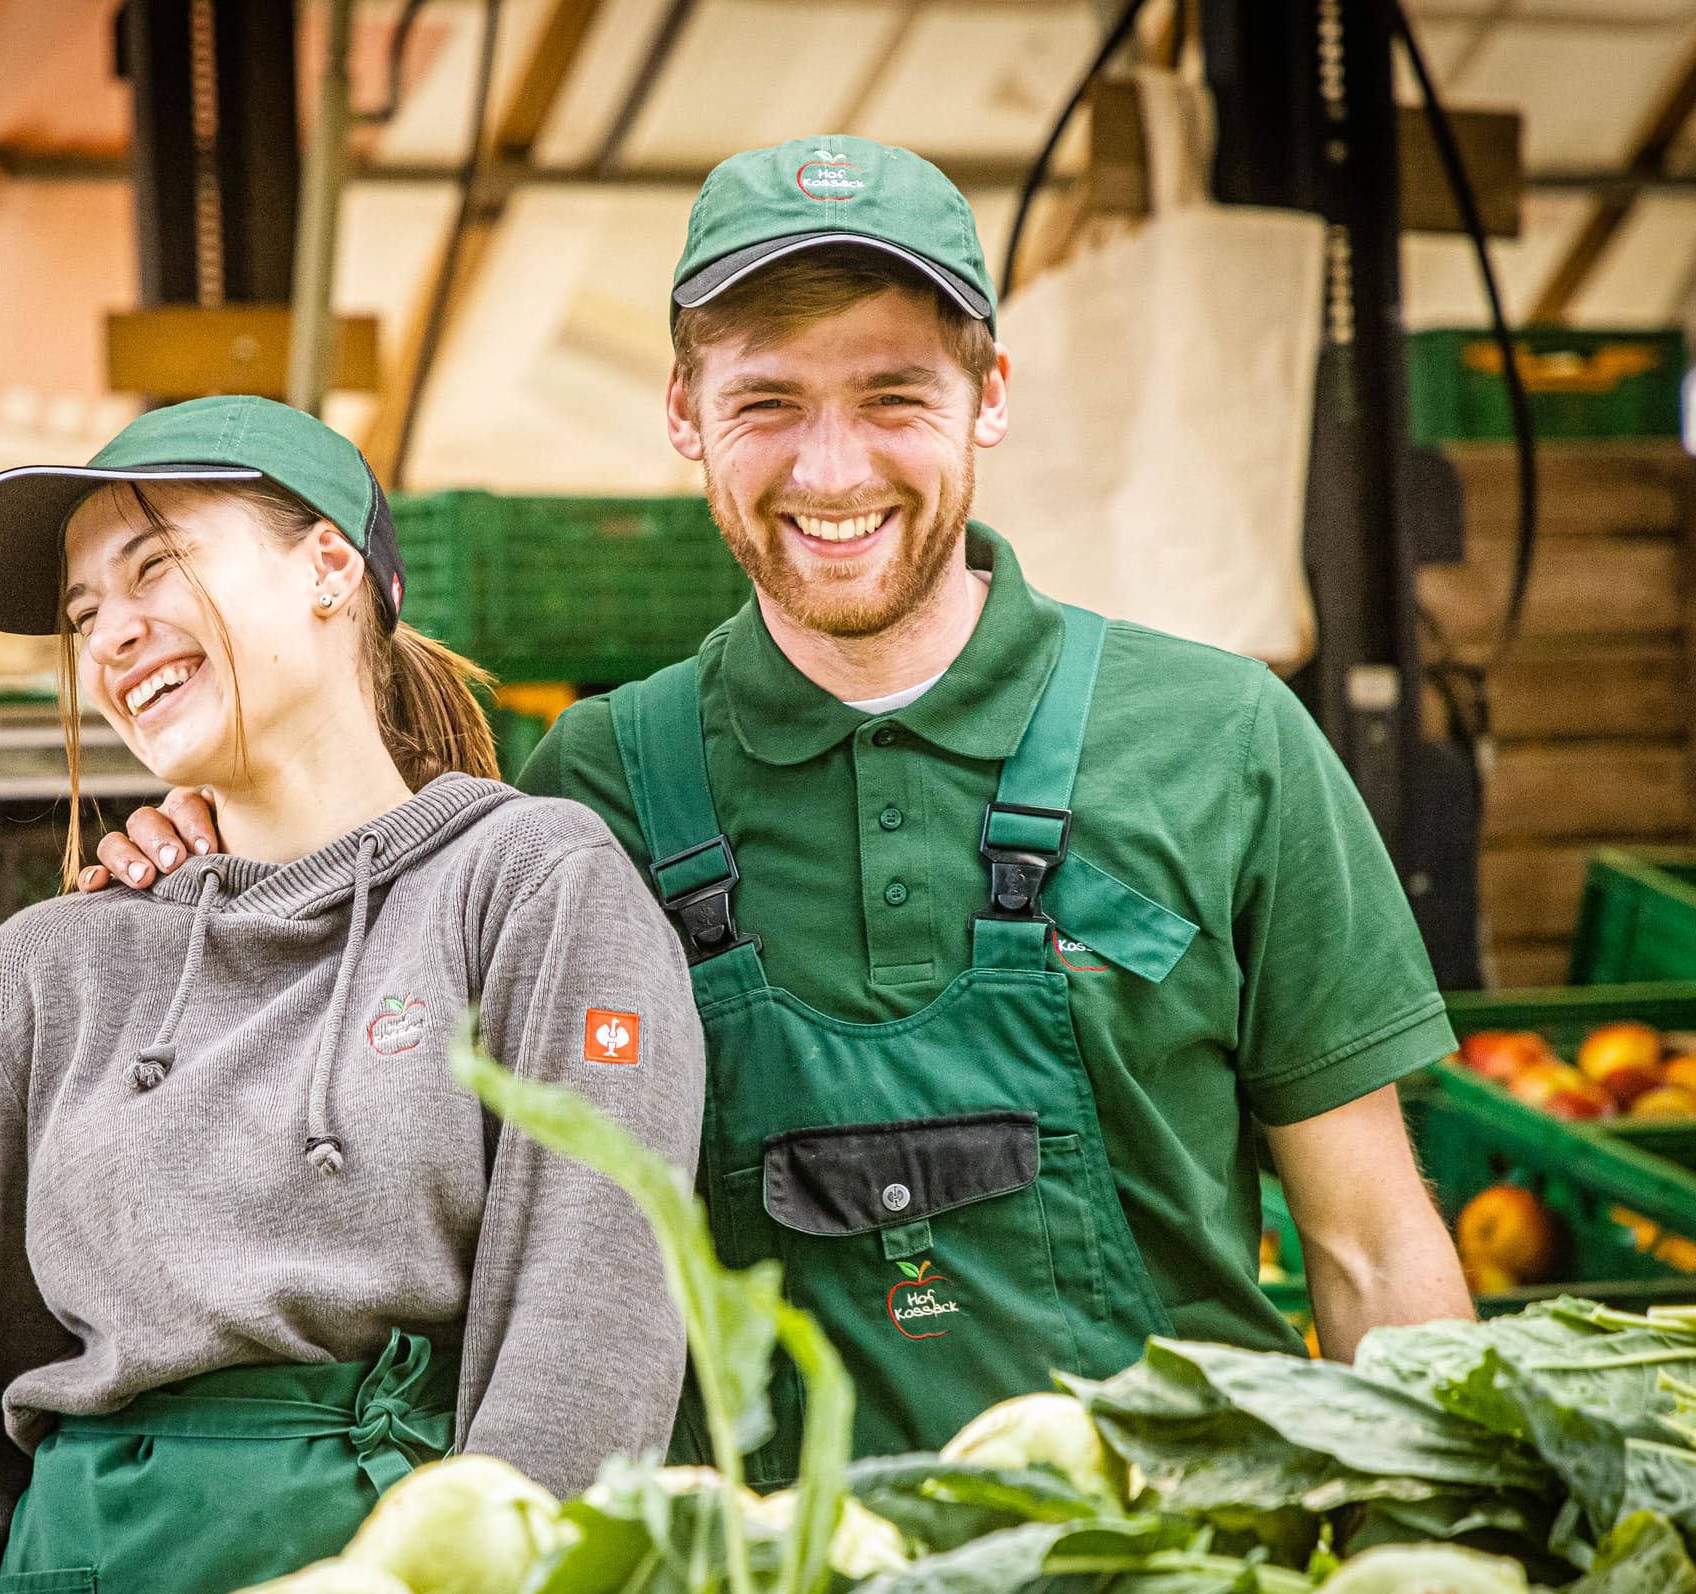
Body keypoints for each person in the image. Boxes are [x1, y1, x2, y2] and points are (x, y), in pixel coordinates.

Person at [89, 139, 1472, 1484]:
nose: (831, 469)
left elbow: (1370, 1250)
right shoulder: (591, 795)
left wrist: (1441, 1564)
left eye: (892, 396)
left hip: (1175, 1582)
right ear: (683, 413)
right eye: (767, 403)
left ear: (990, 394)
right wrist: (223, 857)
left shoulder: (1222, 741)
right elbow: (396, 1156)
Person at [0, 396, 705, 1594]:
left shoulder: (530, 888)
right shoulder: (36, 976)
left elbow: (589, 1344)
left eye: (155, 565)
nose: (111, 633)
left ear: (329, 569)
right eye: (82, 612)